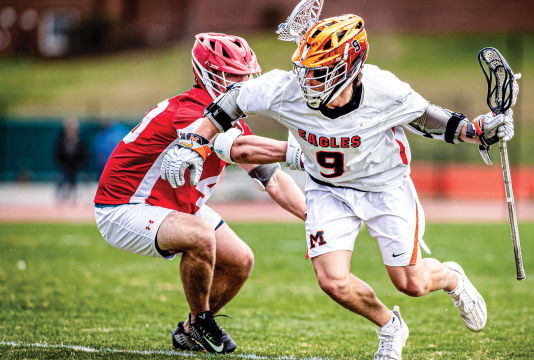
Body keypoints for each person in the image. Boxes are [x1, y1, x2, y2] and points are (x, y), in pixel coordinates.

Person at [163, 15, 514, 360]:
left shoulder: (383, 90)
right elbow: (233, 100)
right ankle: (390, 326)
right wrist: (193, 141)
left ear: (350, 67)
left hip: (385, 188)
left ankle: (452, 278)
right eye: (306, 69)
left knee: (413, 284)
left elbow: (425, 117)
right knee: (332, 280)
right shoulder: (287, 88)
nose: (307, 81)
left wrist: (478, 130)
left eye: (319, 71)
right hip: (328, 188)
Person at [93, 33, 307, 354]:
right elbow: (242, 150)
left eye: (247, 75)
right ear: (209, 73)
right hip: (125, 205)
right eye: (235, 74)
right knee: (201, 236)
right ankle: (204, 322)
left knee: (240, 261)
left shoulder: (229, 117)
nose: (244, 82)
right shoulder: (190, 111)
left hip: (173, 204)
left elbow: (271, 179)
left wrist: (314, 219)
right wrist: (301, 152)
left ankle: (190, 330)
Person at [55, 116, 89, 203]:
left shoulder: (80, 141)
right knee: (63, 181)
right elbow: (58, 153)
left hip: (76, 166)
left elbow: (84, 154)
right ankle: (62, 198)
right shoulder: (62, 140)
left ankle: (75, 199)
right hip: (65, 166)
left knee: (76, 181)